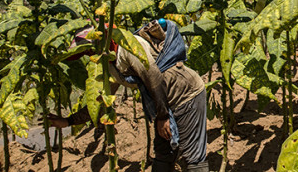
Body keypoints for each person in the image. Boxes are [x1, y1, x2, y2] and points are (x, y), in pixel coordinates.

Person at [49, 19, 209, 172]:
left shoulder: (128, 47)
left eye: (90, 49)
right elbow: (100, 102)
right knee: (163, 152)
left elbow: (153, 77)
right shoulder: (111, 65)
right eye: (87, 52)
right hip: (165, 102)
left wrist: (163, 117)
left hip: (187, 94)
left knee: (192, 154)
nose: (90, 54)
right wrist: (68, 121)